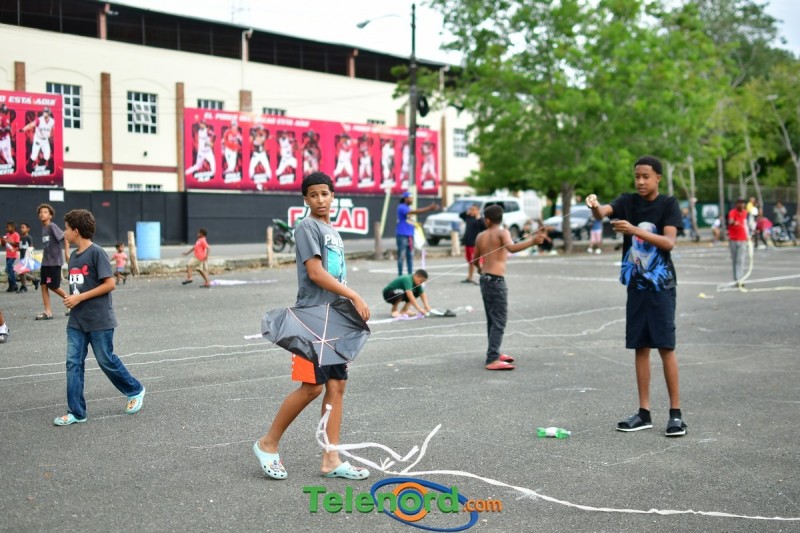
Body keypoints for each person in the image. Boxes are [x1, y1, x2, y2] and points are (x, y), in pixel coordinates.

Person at [254, 171, 371, 481]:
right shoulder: (307, 227)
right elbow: (316, 274)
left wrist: (348, 306)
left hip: (336, 318)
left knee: (337, 386)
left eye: (325, 193)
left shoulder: (332, 231)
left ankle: (331, 459)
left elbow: (336, 276)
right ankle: (267, 443)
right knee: (312, 387)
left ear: (333, 196)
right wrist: (355, 295)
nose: (320, 199)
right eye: (314, 194)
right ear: (305, 199)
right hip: (312, 319)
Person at [586, 155, 687, 437]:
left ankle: (676, 414)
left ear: (658, 178)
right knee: (640, 347)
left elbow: (668, 242)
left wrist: (634, 230)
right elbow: (602, 213)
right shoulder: (627, 201)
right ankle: (644, 413)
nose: (640, 181)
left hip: (662, 288)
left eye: (646, 176)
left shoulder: (668, 204)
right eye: (637, 176)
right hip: (636, 287)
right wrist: (594, 205)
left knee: (665, 347)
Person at [54, 209, 145, 425]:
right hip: (77, 321)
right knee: (73, 363)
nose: (64, 232)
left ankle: (134, 389)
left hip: (99, 320)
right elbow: (78, 287)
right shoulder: (74, 256)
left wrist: (80, 298)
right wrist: (72, 298)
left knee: (105, 360)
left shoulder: (97, 253)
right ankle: (77, 412)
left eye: (66, 228)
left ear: (76, 231)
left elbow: (110, 284)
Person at [472, 205, 548, 371]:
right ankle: (492, 359)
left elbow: (474, 259)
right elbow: (511, 248)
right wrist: (532, 241)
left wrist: (479, 269)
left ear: (487, 220)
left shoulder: (480, 236)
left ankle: (494, 352)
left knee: (492, 319)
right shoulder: (502, 232)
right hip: (496, 281)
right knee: (499, 320)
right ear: (500, 219)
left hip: (485, 279)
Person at [36, 203, 70, 320]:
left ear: (50, 215)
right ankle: (48, 312)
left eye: (45, 212)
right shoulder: (44, 228)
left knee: (53, 286)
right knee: (43, 285)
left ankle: (73, 302)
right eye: (40, 212)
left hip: (54, 263)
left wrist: (66, 253)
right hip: (45, 263)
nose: (42, 214)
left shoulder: (52, 226)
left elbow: (65, 237)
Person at [395, 192, 439, 276]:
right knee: (401, 256)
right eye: (410, 198)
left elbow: (409, 220)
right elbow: (416, 212)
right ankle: (400, 275)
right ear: (405, 199)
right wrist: (429, 208)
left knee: (410, 255)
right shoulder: (401, 207)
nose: (412, 200)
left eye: (412, 198)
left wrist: (416, 224)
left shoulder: (408, 207)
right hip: (402, 234)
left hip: (410, 234)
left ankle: (410, 274)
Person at [459, 203, 486, 284]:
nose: (471, 211)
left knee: (478, 261)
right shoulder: (468, 217)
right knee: (470, 262)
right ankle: (470, 277)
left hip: (475, 244)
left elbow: (484, 227)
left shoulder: (480, 219)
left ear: (478, 210)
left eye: (473, 209)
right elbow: (460, 215)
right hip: (468, 242)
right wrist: (466, 212)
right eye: (470, 209)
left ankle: (483, 278)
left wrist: (479, 218)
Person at [727, 198, 749, 287]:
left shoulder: (745, 213)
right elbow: (730, 221)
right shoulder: (732, 212)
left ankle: (740, 279)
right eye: (740, 203)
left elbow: (746, 225)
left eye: (743, 203)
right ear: (736, 204)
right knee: (734, 260)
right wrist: (734, 222)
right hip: (733, 239)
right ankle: (736, 279)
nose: (742, 205)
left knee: (741, 260)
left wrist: (748, 236)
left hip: (743, 239)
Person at [17, 222, 40, 292]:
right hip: (22, 257)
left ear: (28, 229)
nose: (21, 229)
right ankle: (34, 280)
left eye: (23, 227)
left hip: (27, 257)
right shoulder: (20, 237)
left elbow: (31, 247)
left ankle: (24, 286)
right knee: (20, 272)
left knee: (21, 272)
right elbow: (20, 247)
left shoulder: (28, 237)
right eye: (20, 228)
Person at [2, 221, 20, 292]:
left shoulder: (16, 235)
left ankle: (14, 284)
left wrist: (8, 241)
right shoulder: (7, 234)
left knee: (9, 268)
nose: (6, 229)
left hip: (13, 255)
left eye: (8, 227)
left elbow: (17, 244)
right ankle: (11, 286)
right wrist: (3, 241)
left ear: (13, 227)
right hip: (8, 255)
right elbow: (4, 244)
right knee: (9, 270)